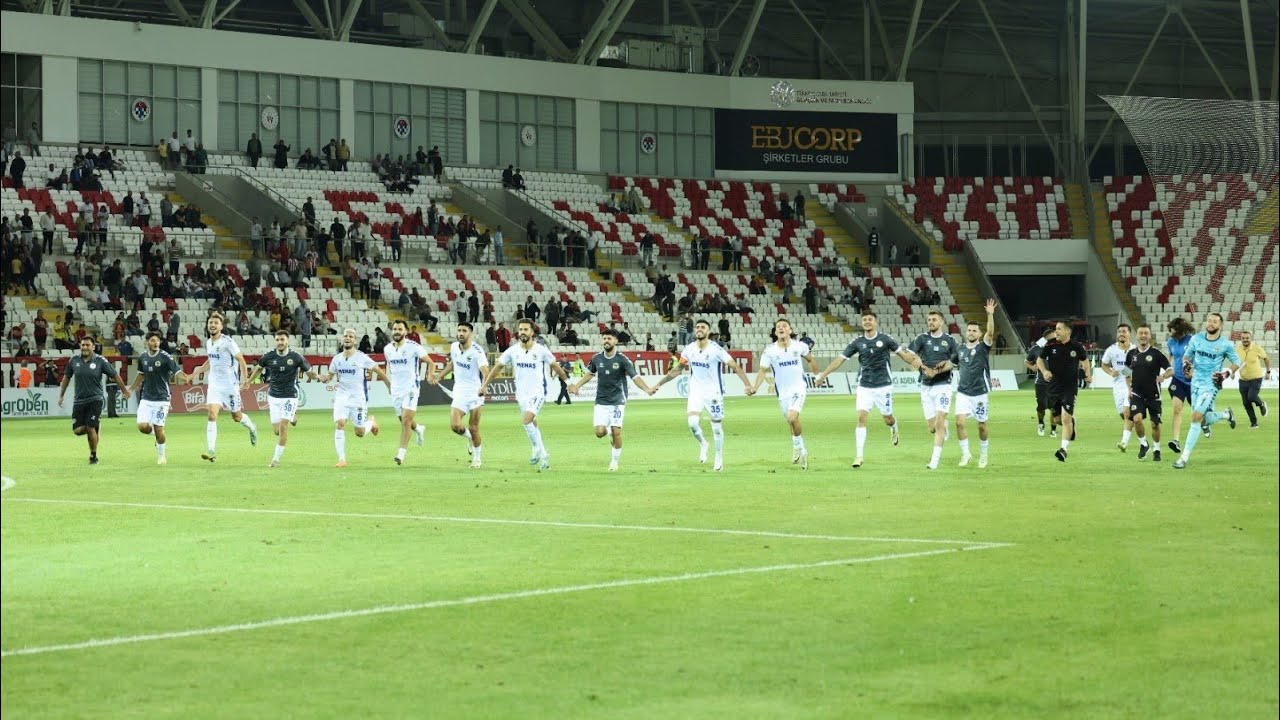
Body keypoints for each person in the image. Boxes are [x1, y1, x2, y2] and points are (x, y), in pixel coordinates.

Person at [813, 312, 923, 468]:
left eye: (870, 319)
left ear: (875, 322)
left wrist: (917, 359)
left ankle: (893, 426)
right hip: (864, 386)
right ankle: (859, 456)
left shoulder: (886, 339)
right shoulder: (857, 342)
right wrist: (823, 375)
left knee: (887, 418)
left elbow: (904, 356)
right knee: (862, 418)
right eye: (864, 320)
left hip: (883, 385)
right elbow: (839, 360)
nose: (867, 322)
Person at [650, 319, 756, 472]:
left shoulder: (716, 350)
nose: (699, 329)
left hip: (713, 392)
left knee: (717, 428)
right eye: (697, 327)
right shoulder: (689, 349)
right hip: (696, 391)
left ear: (708, 331)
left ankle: (719, 456)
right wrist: (659, 384)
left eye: (703, 327)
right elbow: (678, 369)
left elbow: (735, 366)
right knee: (692, 423)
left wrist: (747, 384)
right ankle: (703, 444)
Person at [482, 319, 569, 472]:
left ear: (532, 332)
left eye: (526, 329)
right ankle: (544, 456)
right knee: (532, 425)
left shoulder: (541, 350)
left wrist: (568, 383)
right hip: (521, 394)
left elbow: (555, 366)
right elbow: (497, 368)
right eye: (520, 329)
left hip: (537, 392)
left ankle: (536, 448)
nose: (522, 332)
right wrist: (484, 385)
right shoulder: (512, 351)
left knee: (526, 420)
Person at [570, 328, 656, 472]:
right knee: (599, 432)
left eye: (609, 338)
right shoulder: (597, 358)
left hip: (618, 400)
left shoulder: (622, 359)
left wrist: (647, 389)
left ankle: (614, 462)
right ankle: (608, 431)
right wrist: (577, 386)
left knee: (616, 431)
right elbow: (589, 374)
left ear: (615, 341)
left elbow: (635, 377)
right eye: (604, 338)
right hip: (601, 400)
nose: (606, 341)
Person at [749, 318, 820, 469]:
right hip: (782, 392)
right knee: (790, 421)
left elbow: (810, 359)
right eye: (778, 327)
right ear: (775, 332)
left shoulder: (800, 346)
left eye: (784, 326)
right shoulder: (769, 350)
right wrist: (755, 387)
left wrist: (817, 376)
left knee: (793, 418)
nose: (781, 328)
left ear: (790, 330)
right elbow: (763, 371)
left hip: (798, 388)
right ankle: (795, 445)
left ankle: (803, 450)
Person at [1173, 313, 1241, 469]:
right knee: (1202, 419)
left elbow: (1237, 361)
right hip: (1195, 383)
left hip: (1211, 385)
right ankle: (1226, 414)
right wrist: (1186, 366)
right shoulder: (1196, 339)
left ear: (1220, 325)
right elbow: (1186, 357)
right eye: (1209, 320)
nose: (1211, 323)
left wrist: (1225, 374)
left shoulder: (1225, 344)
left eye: (1215, 321)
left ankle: (1183, 458)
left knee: (1196, 417)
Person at [189, 312, 258, 462]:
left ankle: (252, 427)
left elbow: (242, 361)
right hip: (214, 385)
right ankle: (211, 450)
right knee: (212, 414)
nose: (212, 325)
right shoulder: (208, 342)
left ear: (221, 326)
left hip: (230, 386)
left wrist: (245, 380)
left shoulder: (227, 342)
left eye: (215, 323)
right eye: (210, 323)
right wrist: (195, 374)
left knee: (236, 417)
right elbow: (209, 361)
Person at [318, 328, 389, 467]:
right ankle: (342, 459)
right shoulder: (336, 359)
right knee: (340, 423)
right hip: (342, 396)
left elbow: (377, 369)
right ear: (342, 339)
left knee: (360, 432)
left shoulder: (361, 357)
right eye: (345, 336)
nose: (348, 338)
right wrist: (324, 377)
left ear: (355, 340)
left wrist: (388, 383)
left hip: (358, 398)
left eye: (351, 336)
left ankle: (371, 423)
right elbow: (330, 376)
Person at [247, 331, 317, 467]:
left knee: (283, 426)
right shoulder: (268, 356)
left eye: (282, 340)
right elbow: (258, 368)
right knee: (276, 431)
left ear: (287, 341)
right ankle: (293, 417)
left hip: (290, 395)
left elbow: (309, 372)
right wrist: (248, 381)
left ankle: (275, 460)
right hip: (274, 396)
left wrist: (319, 377)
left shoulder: (296, 357)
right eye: (278, 339)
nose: (280, 342)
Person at [58, 336, 131, 464]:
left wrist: (124, 390)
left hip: (95, 399)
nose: (85, 347)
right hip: (79, 401)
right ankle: (96, 424)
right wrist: (61, 395)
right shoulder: (74, 361)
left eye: (87, 345)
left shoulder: (100, 360)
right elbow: (66, 378)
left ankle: (93, 456)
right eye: (83, 345)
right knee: (77, 430)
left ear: (93, 347)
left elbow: (115, 375)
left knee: (90, 427)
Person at [427, 322, 489, 469]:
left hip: (475, 393)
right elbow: (453, 364)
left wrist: (484, 386)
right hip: (459, 392)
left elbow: (486, 372)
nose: (461, 333)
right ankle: (469, 439)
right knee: (455, 426)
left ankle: (477, 458)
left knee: (474, 427)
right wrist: (439, 376)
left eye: (464, 331)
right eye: (459, 330)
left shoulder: (477, 351)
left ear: (470, 334)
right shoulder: (454, 346)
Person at [908, 310, 961, 470]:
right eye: (929, 319)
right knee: (932, 428)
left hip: (943, 386)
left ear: (941, 322)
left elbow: (957, 360)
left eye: (934, 319)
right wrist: (916, 359)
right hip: (925, 387)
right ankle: (944, 424)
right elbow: (908, 353)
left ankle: (934, 461)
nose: (931, 322)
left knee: (938, 425)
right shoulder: (922, 339)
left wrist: (939, 369)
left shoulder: (950, 340)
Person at [127, 331, 188, 465]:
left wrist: (187, 378)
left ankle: (161, 456)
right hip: (146, 398)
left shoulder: (165, 357)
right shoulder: (142, 357)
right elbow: (140, 375)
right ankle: (156, 435)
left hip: (162, 398)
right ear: (146, 342)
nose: (156, 343)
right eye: (153, 341)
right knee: (142, 426)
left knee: (159, 427)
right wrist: (131, 389)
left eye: (157, 341)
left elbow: (177, 372)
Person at [1037, 321, 1092, 462]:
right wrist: (1044, 371)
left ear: (1068, 331)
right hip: (1054, 387)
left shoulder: (1077, 346)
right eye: (1056, 329)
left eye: (1059, 329)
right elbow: (1039, 360)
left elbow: (1085, 361)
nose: (1056, 331)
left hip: (1070, 387)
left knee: (1065, 418)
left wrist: (1088, 373)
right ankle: (1071, 425)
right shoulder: (1050, 345)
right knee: (1056, 419)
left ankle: (1063, 449)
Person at [954, 300, 997, 468]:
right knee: (959, 422)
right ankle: (966, 454)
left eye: (974, 331)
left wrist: (990, 314)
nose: (971, 332)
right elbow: (951, 364)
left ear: (979, 334)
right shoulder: (960, 349)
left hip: (980, 392)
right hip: (963, 392)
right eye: (969, 330)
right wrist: (933, 370)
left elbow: (991, 333)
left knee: (981, 425)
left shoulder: (983, 347)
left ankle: (984, 455)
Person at [383, 319, 428, 466]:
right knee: (404, 421)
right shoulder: (387, 349)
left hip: (411, 388)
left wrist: (432, 374)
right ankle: (419, 429)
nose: (396, 331)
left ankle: (401, 454)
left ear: (406, 331)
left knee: (406, 421)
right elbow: (389, 368)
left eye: (400, 329)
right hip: (396, 390)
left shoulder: (414, 347)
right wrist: (389, 384)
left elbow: (430, 362)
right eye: (395, 329)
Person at [1125, 324, 1173, 462]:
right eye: (1141, 333)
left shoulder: (1156, 353)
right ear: (1137, 335)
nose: (1143, 335)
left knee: (1155, 424)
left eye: (1146, 333)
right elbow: (1126, 373)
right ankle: (1144, 444)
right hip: (1137, 394)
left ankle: (1157, 449)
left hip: (1154, 395)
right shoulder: (1131, 354)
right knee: (1137, 420)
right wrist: (1129, 389)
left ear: (1150, 336)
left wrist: (1163, 376)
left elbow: (1171, 370)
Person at [1101, 324, 1135, 452]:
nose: (1121, 333)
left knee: (1127, 413)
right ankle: (1135, 427)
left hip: (1131, 385)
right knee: (1124, 414)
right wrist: (1110, 372)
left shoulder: (1135, 349)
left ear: (1129, 334)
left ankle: (1124, 442)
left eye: (1124, 331)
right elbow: (1104, 364)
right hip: (1117, 386)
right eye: (1119, 331)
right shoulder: (1111, 350)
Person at [1165, 317, 1195, 453]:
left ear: (1180, 330)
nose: (1172, 335)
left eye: (1174, 332)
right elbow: (1170, 358)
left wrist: (1194, 371)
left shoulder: (1192, 340)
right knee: (1177, 409)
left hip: (1193, 381)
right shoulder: (1171, 341)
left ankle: (1218, 418)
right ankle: (1176, 441)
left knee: (1199, 413)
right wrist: (1166, 370)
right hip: (1177, 379)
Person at [1234, 330, 1270, 428]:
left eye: (1247, 338)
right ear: (1241, 339)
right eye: (1243, 338)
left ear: (1251, 339)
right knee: (1246, 403)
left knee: (1252, 397)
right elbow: (1235, 362)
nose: (1245, 340)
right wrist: (1232, 372)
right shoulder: (1238, 350)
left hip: (1256, 378)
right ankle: (1254, 423)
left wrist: (1268, 371)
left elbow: (1266, 358)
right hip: (1243, 380)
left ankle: (1262, 404)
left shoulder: (1257, 348)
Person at [1025, 328, 1057, 437]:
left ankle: (1053, 429)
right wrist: (1032, 366)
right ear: (1046, 337)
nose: (1055, 338)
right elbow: (1026, 361)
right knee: (1041, 406)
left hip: (1055, 383)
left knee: (1054, 407)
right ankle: (1041, 423)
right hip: (1041, 383)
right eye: (1053, 337)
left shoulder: (1058, 347)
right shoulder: (1036, 349)